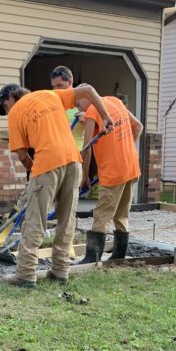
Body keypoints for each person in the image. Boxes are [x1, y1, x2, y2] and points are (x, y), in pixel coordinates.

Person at [0, 82, 114, 287]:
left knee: (35, 221)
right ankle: (60, 270)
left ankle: (25, 274)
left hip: (47, 165)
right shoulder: (50, 95)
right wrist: (105, 116)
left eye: (5, 107)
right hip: (73, 163)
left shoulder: (15, 114)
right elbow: (88, 89)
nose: (7, 112)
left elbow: (23, 156)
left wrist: (37, 175)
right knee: (66, 220)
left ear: (10, 97)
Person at [77, 94, 142, 263]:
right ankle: (118, 256)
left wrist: (85, 177)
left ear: (86, 98)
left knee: (102, 214)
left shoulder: (92, 110)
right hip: (131, 166)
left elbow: (86, 148)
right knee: (121, 214)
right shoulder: (115, 101)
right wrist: (124, 148)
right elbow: (138, 127)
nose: (79, 109)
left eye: (78, 104)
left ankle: (92, 257)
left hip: (113, 171)